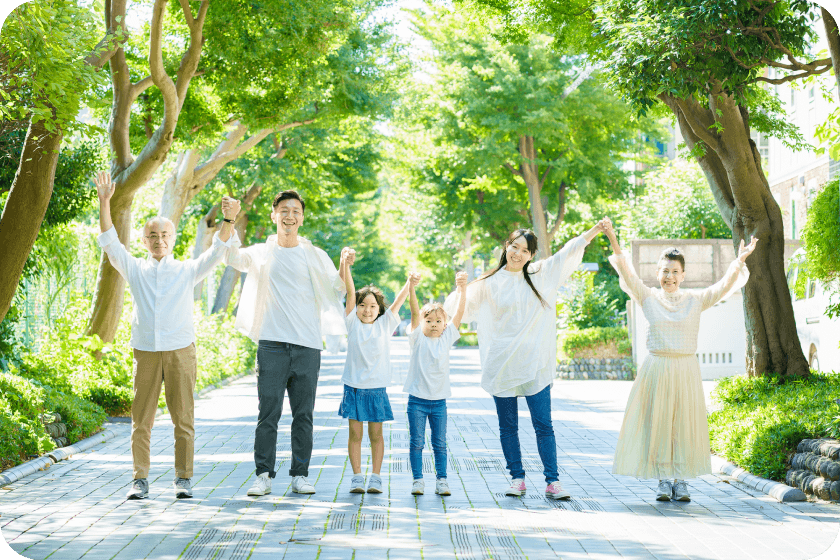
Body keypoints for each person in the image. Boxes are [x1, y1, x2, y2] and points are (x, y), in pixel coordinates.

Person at [94, 171, 240, 500]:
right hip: (145, 352)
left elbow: (217, 251)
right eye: (152, 235)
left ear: (172, 238)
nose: (159, 239)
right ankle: (140, 480)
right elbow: (109, 242)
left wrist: (228, 218)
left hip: (180, 352)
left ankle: (183, 478)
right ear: (144, 241)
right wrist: (105, 201)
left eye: (164, 234)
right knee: (140, 421)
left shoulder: (186, 270)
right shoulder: (134, 268)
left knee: (183, 420)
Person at [445, 223, 606, 499]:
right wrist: (460, 289)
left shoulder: (540, 274)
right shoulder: (488, 283)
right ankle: (516, 478)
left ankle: (552, 482)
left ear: (531, 255)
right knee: (508, 427)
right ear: (506, 247)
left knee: (544, 425)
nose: (517, 254)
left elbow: (568, 252)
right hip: (502, 364)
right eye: (514, 247)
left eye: (524, 250)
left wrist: (596, 230)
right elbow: (458, 310)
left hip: (535, 363)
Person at [602, 218, 757, 502]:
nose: (669, 276)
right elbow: (625, 268)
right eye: (665, 271)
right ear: (658, 273)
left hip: (686, 368)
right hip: (657, 368)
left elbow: (723, 287)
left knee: (684, 423)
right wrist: (612, 235)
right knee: (660, 423)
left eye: (675, 271)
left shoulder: (695, 300)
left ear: (683, 275)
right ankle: (663, 480)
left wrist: (739, 260)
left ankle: (681, 481)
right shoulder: (647, 297)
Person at [224, 190, 348, 497]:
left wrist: (345, 263)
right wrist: (229, 219)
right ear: (274, 215)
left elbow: (339, 289)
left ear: (302, 218)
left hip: (307, 346)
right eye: (284, 210)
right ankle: (263, 475)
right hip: (272, 345)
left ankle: (300, 475)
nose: (289, 216)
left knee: (303, 415)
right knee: (268, 414)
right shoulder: (261, 253)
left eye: (295, 211)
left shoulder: (316, 255)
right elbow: (230, 256)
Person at [339, 249, 412, 494]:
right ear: (356, 308)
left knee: (376, 435)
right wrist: (346, 265)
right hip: (354, 388)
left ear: (379, 310)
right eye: (362, 305)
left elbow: (399, 301)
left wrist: (409, 282)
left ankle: (376, 477)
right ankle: (357, 477)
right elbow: (350, 291)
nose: (367, 310)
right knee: (355, 435)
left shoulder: (384, 324)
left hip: (377, 389)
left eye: (372, 306)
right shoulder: (351, 323)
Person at [404, 271, 467, 496]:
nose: (433, 324)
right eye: (428, 321)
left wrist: (462, 289)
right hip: (417, 402)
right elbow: (413, 310)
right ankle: (418, 480)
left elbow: (459, 312)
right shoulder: (417, 338)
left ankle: (442, 480)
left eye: (438, 321)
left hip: (439, 402)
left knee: (440, 443)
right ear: (421, 323)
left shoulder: (447, 338)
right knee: (417, 442)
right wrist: (411, 287)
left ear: (444, 325)